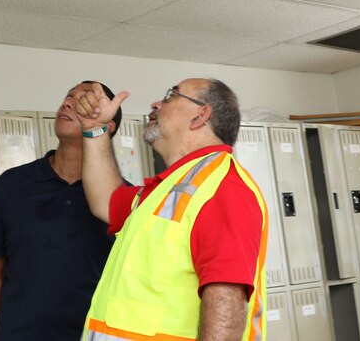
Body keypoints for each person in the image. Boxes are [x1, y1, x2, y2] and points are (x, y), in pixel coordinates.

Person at [75, 78, 267, 341]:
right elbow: (105, 201)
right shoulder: (169, 188)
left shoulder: (222, 186)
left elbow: (226, 299)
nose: (155, 104)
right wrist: (95, 130)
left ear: (201, 115)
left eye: (170, 96)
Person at [0, 81, 123, 341]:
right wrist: (23, 322)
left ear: (106, 126)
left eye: (84, 101)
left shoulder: (121, 198)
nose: (67, 103)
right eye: (68, 96)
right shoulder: (12, 184)